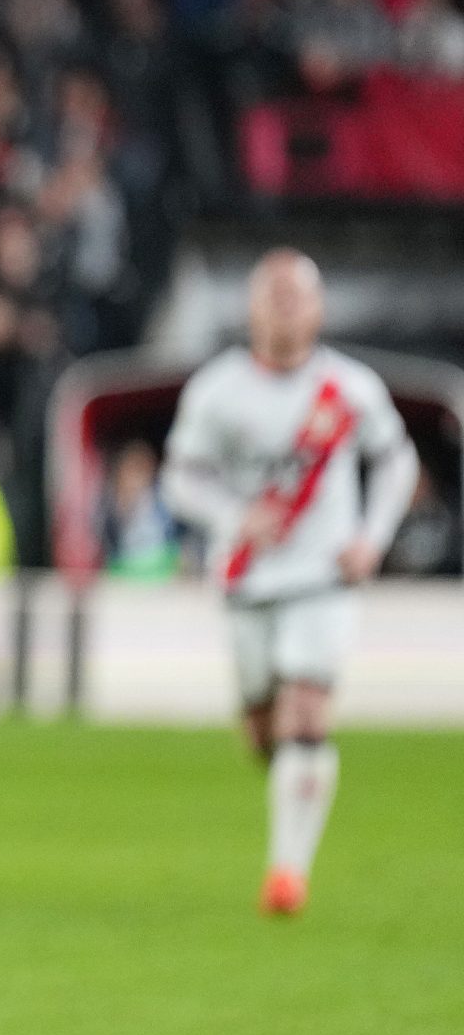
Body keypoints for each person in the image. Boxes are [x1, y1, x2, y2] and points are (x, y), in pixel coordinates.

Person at [161, 249, 418, 916]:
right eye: (271, 293)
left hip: (324, 574)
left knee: (306, 710)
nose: (283, 305)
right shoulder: (217, 389)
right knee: (262, 731)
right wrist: (235, 518)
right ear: (249, 308)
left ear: (318, 308)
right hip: (248, 578)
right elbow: (180, 478)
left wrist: (372, 540)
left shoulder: (350, 389)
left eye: (295, 294)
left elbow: (396, 463)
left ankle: (286, 874)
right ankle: (292, 800)